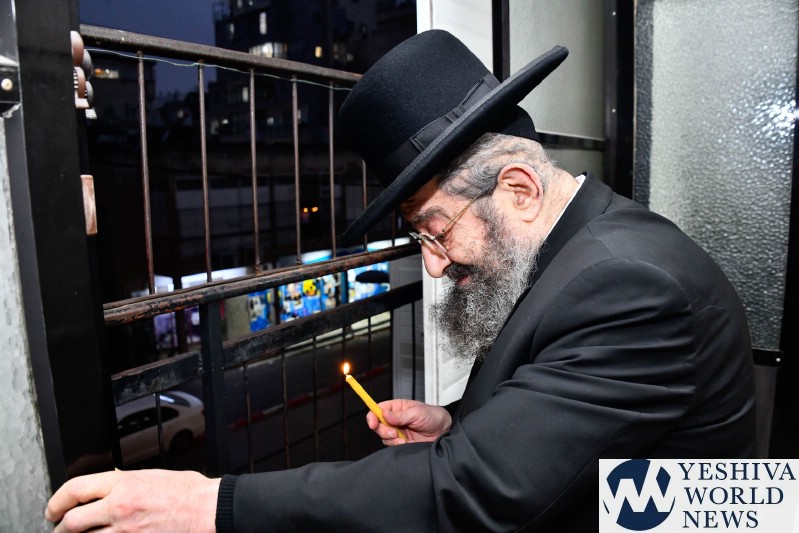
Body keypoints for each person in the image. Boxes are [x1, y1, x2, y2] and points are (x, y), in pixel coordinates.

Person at [45, 29, 755, 532]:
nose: (435, 263)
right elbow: (571, 419)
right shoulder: (580, 248)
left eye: (436, 229)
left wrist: (209, 504)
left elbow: (474, 493)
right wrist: (457, 425)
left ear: (517, 189)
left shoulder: (627, 286)